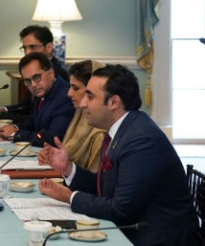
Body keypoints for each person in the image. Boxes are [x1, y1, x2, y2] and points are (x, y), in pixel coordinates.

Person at [39, 64, 199, 246]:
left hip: (158, 239)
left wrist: (69, 197)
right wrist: (68, 169)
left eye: (90, 96)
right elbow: (107, 188)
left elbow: (120, 210)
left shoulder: (140, 140)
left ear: (114, 102)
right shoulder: (124, 129)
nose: (83, 103)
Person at [0, 25, 69, 125]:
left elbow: (39, 118)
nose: (27, 52)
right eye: (24, 48)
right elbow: (26, 106)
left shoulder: (58, 73)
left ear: (49, 47)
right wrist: (2, 109)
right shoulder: (32, 72)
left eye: (32, 47)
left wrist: (0, 116)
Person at [37, 60, 106, 171]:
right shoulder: (79, 116)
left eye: (76, 88)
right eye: (70, 87)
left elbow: (94, 183)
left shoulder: (100, 136)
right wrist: (53, 156)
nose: (69, 93)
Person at [0, 52, 75, 147]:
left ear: (50, 73)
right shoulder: (45, 90)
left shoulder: (66, 96)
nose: (33, 85)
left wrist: (15, 134)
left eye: (37, 77)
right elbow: (35, 121)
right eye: (28, 81)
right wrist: (15, 127)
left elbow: (53, 139)